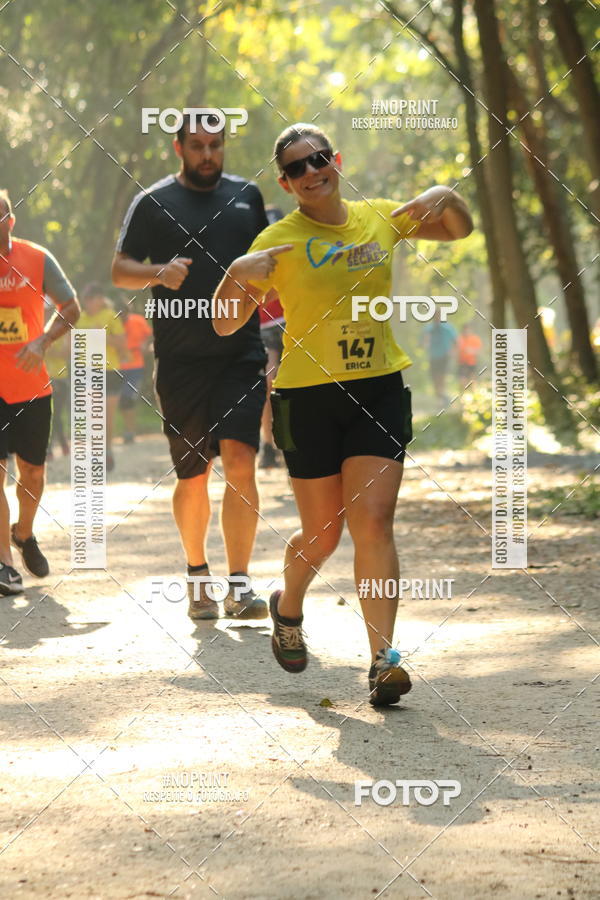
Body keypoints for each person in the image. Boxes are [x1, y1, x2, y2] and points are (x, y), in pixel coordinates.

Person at [213, 123, 473, 705]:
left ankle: (383, 660)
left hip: (378, 387)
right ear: (285, 182)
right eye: (296, 168)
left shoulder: (380, 217)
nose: (311, 172)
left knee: (373, 523)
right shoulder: (278, 241)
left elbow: (460, 228)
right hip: (308, 398)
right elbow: (225, 323)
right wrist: (234, 275)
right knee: (323, 534)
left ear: (337, 161)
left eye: (319, 159)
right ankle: (288, 607)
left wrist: (444, 194)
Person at [111, 112, 270, 622]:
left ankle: (240, 585)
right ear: (178, 148)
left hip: (240, 354)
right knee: (194, 473)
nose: (207, 154)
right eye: (197, 145)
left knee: (241, 459)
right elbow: (119, 270)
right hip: (180, 360)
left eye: (215, 145)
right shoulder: (153, 202)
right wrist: (158, 272)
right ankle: (198, 577)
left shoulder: (247, 196)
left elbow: (270, 263)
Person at [0, 188, 80, 594]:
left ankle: (24, 533)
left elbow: (71, 308)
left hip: (31, 385)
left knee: (32, 472)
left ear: (10, 221)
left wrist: (42, 341)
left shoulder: (37, 258)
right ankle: (4, 562)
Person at [78, 283, 128, 472]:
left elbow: (122, 344)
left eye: (92, 299)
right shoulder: (80, 318)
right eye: (86, 300)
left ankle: (107, 450)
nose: (88, 303)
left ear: (100, 299)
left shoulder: (110, 316)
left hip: (110, 371)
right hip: (87, 370)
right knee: (93, 415)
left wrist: (102, 336)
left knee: (107, 416)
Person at [259, 205, 286, 468]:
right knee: (268, 382)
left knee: (291, 386)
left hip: (291, 322)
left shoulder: (293, 250)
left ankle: (289, 446)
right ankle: (268, 445)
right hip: (263, 327)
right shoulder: (251, 253)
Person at [118, 303, 152, 443]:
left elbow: (149, 335)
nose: (122, 318)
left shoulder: (138, 321)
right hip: (117, 367)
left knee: (129, 398)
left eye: (124, 315)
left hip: (135, 367)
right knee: (121, 400)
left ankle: (130, 431)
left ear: (128, 313)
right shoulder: (113, 323)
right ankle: (128, 429)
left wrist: (145, 345)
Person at [44, 325, 70, 459]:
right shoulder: (40, 332)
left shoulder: (64, 333)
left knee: (55, 413)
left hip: (61, 379)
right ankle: (61, 443)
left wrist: (49, 350)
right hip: (45, 378)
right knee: (49, 413)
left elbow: (66, 353)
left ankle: (50, 447)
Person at [423, 307, 458, 406]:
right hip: (433, 356)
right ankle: (440, 397)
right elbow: (425, 341)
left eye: (438, 315)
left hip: (444, 356)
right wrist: (425, 344)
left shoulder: (448, 328)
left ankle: (442, 399)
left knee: (442, 377)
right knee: (435, 378)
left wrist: (453, 352)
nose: (437, 317)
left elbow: (455, 341)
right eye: (435, 316)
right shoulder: (428, 328)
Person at [456, 321, 482, 389]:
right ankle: (462, 392)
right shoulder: (459, 339)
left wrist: (471, 351)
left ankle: (473, 392)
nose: (466, 331)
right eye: (465, 329)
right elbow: (455, 349)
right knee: (462, 379)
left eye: (468, 329)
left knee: (472, 379)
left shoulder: (475, 339)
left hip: (472, 362)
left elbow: (479, 351)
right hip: (462, 362)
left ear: (471, 329)